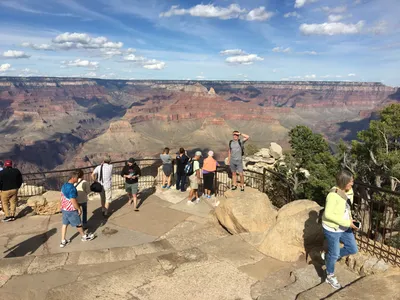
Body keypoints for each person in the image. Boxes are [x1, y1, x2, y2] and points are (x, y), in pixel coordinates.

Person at [322, 169, 359, 289]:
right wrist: (347, 222)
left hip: (344, 225)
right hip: (332, 229)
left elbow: (347, 207)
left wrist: (350, 219)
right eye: (350, 182)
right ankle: (330, 276)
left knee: (352, 248)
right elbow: (328, 214)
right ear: (343, 182)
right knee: (335, 253)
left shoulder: (349, 191)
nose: (352, 184)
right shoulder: (333, 196)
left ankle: (329, 257)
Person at [60, 170, 95, 248]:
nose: (77, 179)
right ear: (72, 178)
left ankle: (63, 241)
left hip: (64, 208)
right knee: (78, 224)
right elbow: (73, 200)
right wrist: (78, 209)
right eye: (76, 178)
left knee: (64, 224)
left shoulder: (64, 185)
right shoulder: (72, 188)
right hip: (71, 210)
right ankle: (84, 236)